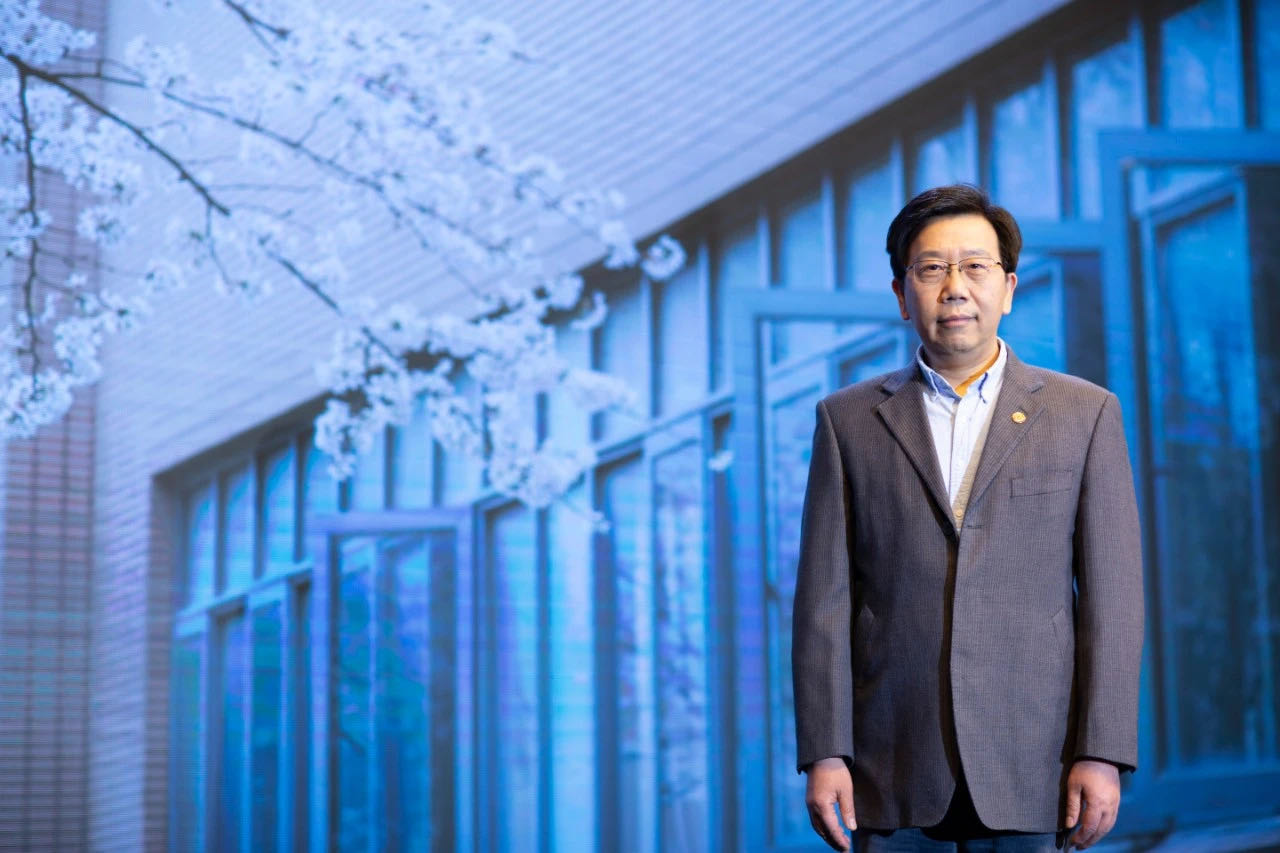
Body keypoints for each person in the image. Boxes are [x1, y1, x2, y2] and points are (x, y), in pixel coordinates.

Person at [790, 184, 1144, 852]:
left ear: (1008, 288)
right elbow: (824, 603)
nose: (954, 287)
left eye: (975, 266)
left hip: (1038, 762)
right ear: (902, 294)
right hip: (888, 766)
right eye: (931, 268)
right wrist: (825, 751)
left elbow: (1113, 598)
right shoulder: (847, 421)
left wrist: (1102, 750)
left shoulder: (1084, 414)